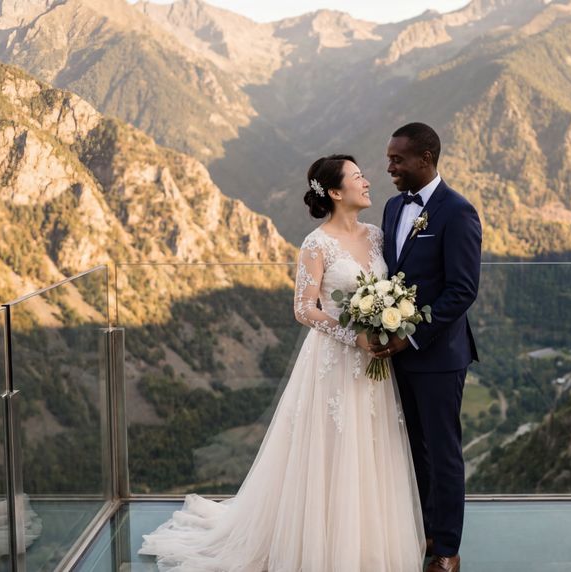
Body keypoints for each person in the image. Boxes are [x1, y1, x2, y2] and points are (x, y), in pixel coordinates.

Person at [139, 154, 425, 571]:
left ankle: (365, 547)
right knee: (330, 450)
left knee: (370, 447)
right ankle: (321, 546)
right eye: (358, 177)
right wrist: (353, 334)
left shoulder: (378, 235)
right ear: (334, 192)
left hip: (372, 364)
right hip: (333, 360)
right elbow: (304, 309)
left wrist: (384, 324)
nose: (367, 182)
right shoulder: (316, 243)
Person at [372, 122, 482, 572]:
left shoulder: (458, 212)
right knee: (412, 449)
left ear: (427, 158)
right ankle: (425, 532)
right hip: (396, 354)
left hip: (437, 356)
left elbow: (462, 290)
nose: (390, 167)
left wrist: (411, 335)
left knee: (443, 452)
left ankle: (448, 550)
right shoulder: (393, 207)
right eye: (389, 159)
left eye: (398, 159)